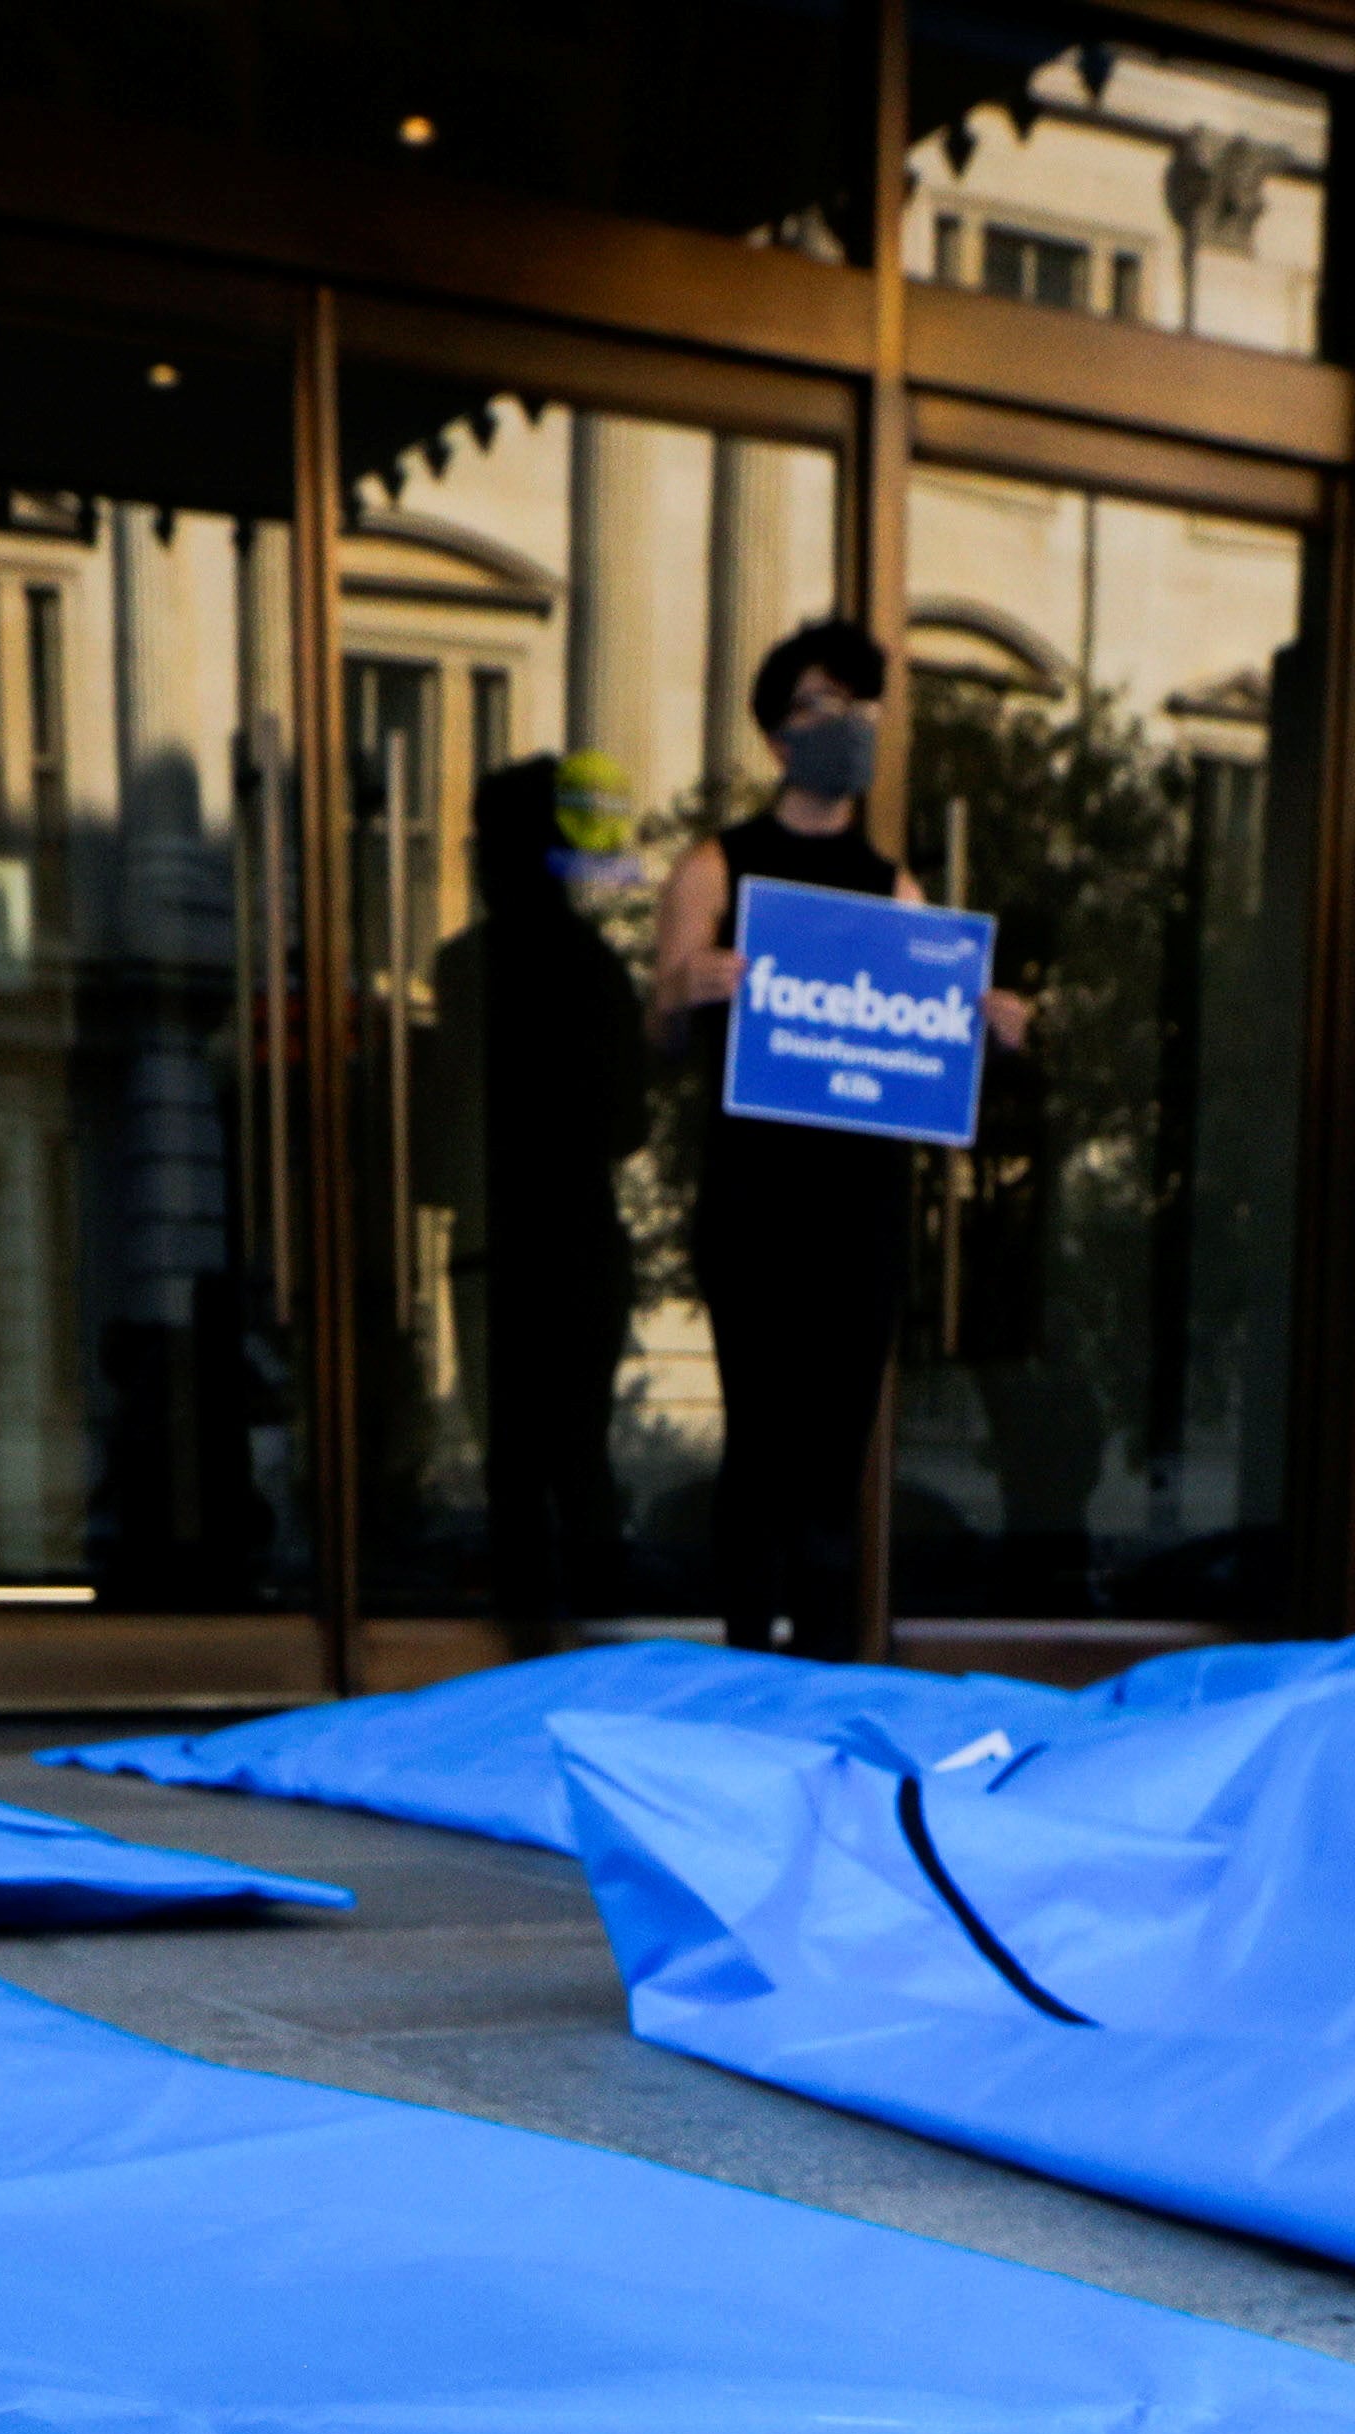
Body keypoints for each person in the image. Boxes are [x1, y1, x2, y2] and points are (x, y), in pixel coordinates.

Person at [649, 620, 1029, 1662]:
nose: (850, 727)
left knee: (832, 1464)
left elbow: (926, 1041)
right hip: (755, 1204)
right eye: (826, 706)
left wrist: (986, 1025)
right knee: (759, 1445)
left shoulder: (892, 887)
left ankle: (820, 1675)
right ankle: (743, 1660)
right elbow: (660, 1033)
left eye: (864, 708)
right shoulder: (717, 867)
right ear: (779, 734)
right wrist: (683, 987)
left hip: (859, 1211)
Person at [434, 754, 654, 1644]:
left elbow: (449, 1121)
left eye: (484, 843)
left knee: (516, 1473)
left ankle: (527, 1655)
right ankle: (594, 1653)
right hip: (572, 1238)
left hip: (502, 1240)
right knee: (577, 1462)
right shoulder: (597, 968)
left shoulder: (467, 967)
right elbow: (628, 1125)